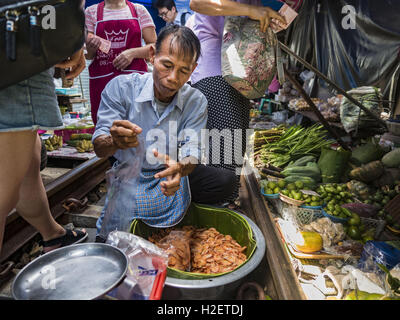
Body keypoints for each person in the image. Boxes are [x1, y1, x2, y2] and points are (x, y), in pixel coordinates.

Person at [93, 25, 236, 235]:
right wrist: (113, 142)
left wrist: (180, 169)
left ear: (193, 70)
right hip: (130, 174)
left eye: (183, 71)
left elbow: (192, 151)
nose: (173, 78)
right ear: (152, 56)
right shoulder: (121, 88)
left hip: (170, 170)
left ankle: (186, 207)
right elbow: (98, 146)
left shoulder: (195, 101)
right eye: (167, 65)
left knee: (226, 181)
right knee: (111, 240)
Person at [189, 0, 286, 208]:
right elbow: (197, 3)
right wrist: (252, 11)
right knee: (225, 151)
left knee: (234, 148)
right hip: (215, 68)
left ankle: (224, 206)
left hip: (240, 71)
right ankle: (215, 214)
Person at [0, 49, 88, 256]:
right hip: (17, 59)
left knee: (28, 162)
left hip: (17, 59)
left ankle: (53, 234)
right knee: (4, 190)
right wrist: (72, 43)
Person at [85, 0, 157, 125]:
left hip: (135, 85)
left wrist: (132, 53)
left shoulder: (139, 10)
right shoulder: (91, 12)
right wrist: (91, 46)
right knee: (105, 129)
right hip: (103, 84)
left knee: (139, 127)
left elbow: (155, 48)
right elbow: (89, 55)